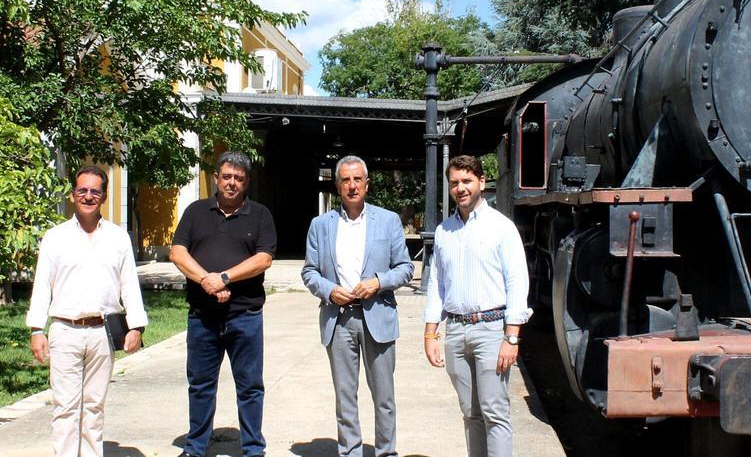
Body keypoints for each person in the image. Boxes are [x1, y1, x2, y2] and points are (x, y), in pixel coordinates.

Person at [27, 165, 147, 457]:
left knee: (94, 405)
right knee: (66, 406)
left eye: (95, 191)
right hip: (64, 331)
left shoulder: (118, 238)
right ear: (73, 194)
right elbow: (42, 285)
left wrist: (136, 327)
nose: (88, 196)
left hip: (101, 333)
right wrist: (36, 329)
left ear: (104, 196)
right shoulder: (55, 237)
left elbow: (129, 283)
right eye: (82, 190)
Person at [301, 156, 414, 457]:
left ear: (367, 183)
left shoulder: (388, 220)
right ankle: (349, 451)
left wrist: (378, 281)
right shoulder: (320, 225)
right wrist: (329, 290)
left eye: (357, 179)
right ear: (337, 185)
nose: (352, 186)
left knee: (384, 397)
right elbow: (309, 272)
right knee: (345, 397)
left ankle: (386, 452)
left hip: (377, 317)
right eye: (345, 180)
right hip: (338, 320)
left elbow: (405, 268)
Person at [422, 155, 532, 457]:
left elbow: (517, 284)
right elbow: (437, 285)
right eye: (454, 182)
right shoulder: (445, 231)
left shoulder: (502, 227)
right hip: (456, 331)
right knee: (470, 414)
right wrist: (431, 333)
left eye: (467, 181)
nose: (460, 188)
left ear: (482, 182)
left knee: (494, 412)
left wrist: (512, 338)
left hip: (491, 331)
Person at [170, 151, 276, 457]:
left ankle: (253, 448)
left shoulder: (260, 215)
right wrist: (207, 280)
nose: (231, 183)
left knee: (250, 387)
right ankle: (195, 448)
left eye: (238, 179)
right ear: (216, 178)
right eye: (226, 177)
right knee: (201, 385)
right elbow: (178, 253)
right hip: (202, 317)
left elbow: (264, 258)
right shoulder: (195, 212)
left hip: (245, 316)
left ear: (247, 183)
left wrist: (225, 278)